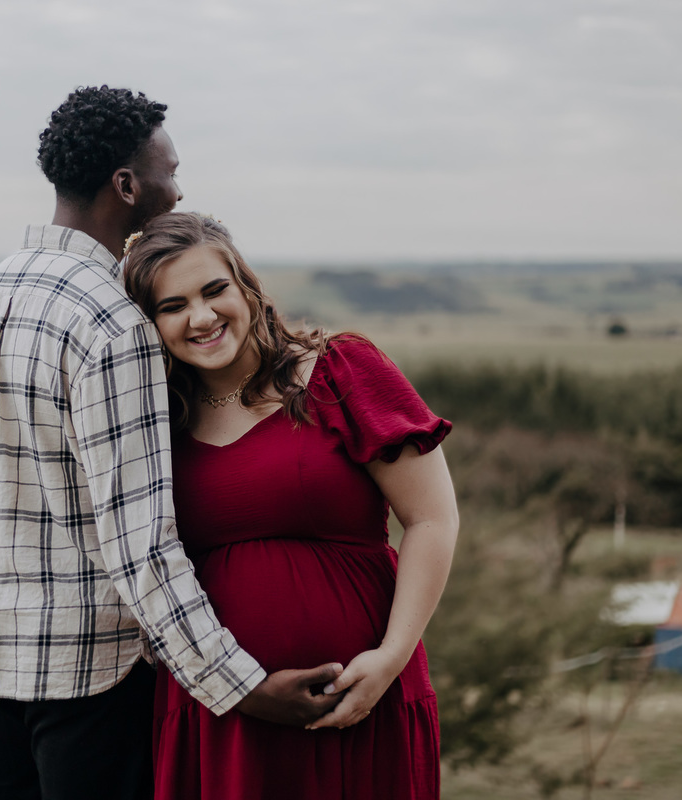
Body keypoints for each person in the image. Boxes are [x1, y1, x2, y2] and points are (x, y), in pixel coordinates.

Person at [0, 87, 343, 800]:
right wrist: (244, 689)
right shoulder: (112, 324)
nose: (179, 190)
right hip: (90, 682)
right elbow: (140, 546)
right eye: (170, 171)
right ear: (127, 185)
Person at [122, 212, 460, 800]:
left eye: (214, 290)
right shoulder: (155, 423)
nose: (201, 317)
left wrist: (390, 658)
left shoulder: (340, 369)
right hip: (221, 716)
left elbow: (432, 518)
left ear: (246, 286)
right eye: (172, 306)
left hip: (362, 696)